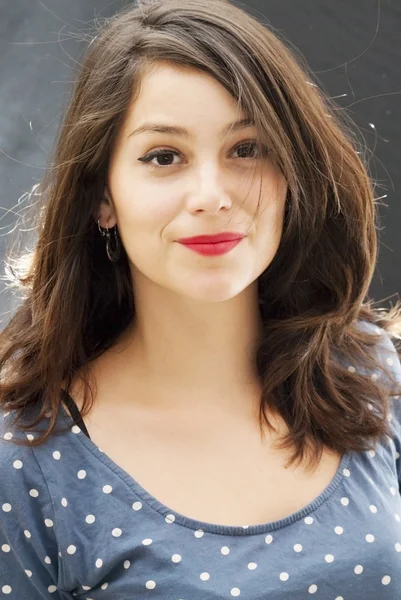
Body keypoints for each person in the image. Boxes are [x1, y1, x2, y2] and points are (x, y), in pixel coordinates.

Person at [1, 0, 401, 597]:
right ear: (102, 198)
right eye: (164, 157)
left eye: (247, 149)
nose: (211, 195)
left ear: (292, 174)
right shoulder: (26, 459)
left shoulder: (372, 371)